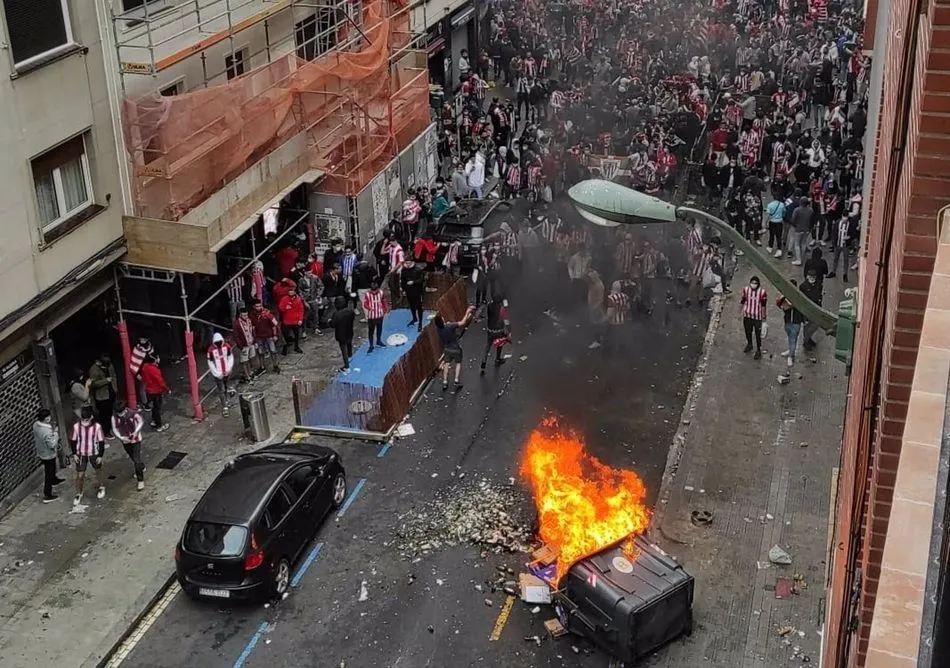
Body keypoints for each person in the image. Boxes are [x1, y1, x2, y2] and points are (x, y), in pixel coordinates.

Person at [69, 407, 106, 505]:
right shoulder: (76, 427)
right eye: (83, 419)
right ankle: (79, 493)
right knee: (80, 475)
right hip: (81, 454)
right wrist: (74, 454)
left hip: (94, 452)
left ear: (91, 418)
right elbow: (73, 440)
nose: (85, 422)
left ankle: (101, 486)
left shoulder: (97, 427)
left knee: (98, 470)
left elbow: (101, 441)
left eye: (87, 420)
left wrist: (100, 455)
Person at [436, 306, 475, 392]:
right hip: (456, 348)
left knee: (447, 363)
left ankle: (445, 381)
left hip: (447, 349)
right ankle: (456, 380)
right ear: (442, 321)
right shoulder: (450, 326)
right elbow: (462, 322)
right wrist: (467, 312)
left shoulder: (439, 330)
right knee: (458, 363)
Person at [111, 401, 146, 491]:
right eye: (119, 413)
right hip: (125, 440)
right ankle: (141, 467)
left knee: (136, 460)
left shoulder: (133, 414)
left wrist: (136, 432)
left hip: (136, 439)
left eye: (122, 413)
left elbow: (140, 421)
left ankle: (140, 480)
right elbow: (115, 429)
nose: (121, 415)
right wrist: (121, 438)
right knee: (133, 457)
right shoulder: (114, 418)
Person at [777, 280, 807, 376]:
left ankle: (791, 356)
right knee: (790, 337)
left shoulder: (798, 297)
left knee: (793, 339)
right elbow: (779, 303)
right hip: (787, 321)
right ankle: (790, 351)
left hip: (796, 322)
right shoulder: (785, 296)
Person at [33, 408, 63, 502]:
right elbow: (52, 444)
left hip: (41, 451)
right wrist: (56, 433)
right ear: (46, 418)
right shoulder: (46, 431)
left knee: (50, 469)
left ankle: (54, 479)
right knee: (49, 472)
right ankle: (48, 494)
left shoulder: (36, 425)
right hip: (48, 454)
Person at [89, 354, 117, 438]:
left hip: (111, 392)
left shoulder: (109, 365)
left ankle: (110, 427)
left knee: (110, 412)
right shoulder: (93, 370)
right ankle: (106, 431)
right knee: (104, 414)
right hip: (102, 396)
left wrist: (115, 388)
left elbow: (114, 375)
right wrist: (105, 381)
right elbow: (93, 384)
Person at [207, 332, 236, 415]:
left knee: (226, 387)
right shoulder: (211, 350)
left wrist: (229, 368)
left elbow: (230, 357)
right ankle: (224, 406)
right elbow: (210, 363)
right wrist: (217, 373)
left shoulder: (227, 346)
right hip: (218, 374)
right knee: (221, 390)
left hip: (226, 372)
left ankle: (227, 401)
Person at [140, 355, 170, 432]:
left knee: (154, 407)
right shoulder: (154, 370)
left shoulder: (145, 367)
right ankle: (159, 425)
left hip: (149, 390)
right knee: (157, 408)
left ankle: (154, 421)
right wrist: (166, 389)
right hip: (155, 391)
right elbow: (160, 381)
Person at [480, 294, 510, 372]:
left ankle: (483, 362)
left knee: (487, 346)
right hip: (498, 330)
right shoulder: (501, 308)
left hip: (490, 330)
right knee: (499, 344)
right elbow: (505, 319)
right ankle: (497, 359)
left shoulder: (489, 306)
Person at [740, 276, 768, 360]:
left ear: (758, 284)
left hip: (757, 317)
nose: (753, 285)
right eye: (752, 283)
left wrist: (764, 319)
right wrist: (739, 312)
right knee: (748, 331)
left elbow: (763, 306)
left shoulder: (762, 292)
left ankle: (758, 350)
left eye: (755, 283)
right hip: (747, 315)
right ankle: (749, 344)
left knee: (757, 334)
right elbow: (743, 300)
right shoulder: (746, 290)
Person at [250, 299, 281, 374]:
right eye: (257, 306)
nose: (258, 307)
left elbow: (275, 324)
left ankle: (275, 365)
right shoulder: (252, 315)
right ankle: (262, 367)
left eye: (259, 306)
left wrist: (275, 335)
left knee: (273, 351)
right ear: (254, 307)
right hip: (259, 337)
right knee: (260, 352)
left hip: (269, 336)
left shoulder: (267, 313)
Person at [330, 296, 356, 371]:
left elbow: (333, 324)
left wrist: (329, 321)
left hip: (341, 335)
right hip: (349, 332)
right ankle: (350, 356)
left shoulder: (336, 314)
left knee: (344, 351)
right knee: (349, 345)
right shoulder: (350, 311)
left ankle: (346, 366)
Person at [278, 284, 305, 355]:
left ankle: (296, 347)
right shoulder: (284, 299)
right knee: (286, 336)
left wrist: (300, 319)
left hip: (296, 321)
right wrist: (285, 308)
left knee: (297, 335)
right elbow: (280, 308)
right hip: (287, 321)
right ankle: (285, 348)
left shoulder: (298, 299)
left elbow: (301, 310)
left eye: (292, 291)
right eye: (289, 291)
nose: (291, 293)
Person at [362, 280, 388, 352]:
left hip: (380, 314)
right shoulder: (367, 294)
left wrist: (385, 309)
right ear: (370, 289)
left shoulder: (381, 293)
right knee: (371, 331)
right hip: (371, 316)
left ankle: (378, 341)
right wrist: (369, 308)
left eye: (375, 290)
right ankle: (371, 345)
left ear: (378, 289)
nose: (374, 292)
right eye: (372, 291)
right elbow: (365, 304)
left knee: (379, 329)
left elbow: (383, 301)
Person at [801, 269, 824, 351]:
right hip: (808, 310)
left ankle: (808, 338)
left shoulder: (818, 284)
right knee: (807, 327)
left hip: (816, 308)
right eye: (810, 276)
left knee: (814, 325)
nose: (812, 278)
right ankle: (806, 341)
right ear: (807, 277)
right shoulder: (803, 286)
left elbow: (819, 295)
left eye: (813, 277)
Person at [401, 259, 426, 332]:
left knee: (419, 307)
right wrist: (403, 289)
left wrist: (414, 282)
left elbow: (421, 280)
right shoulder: (404, 270)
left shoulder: (418, 270)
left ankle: (420, 323)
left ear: (412, 262)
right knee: (411, 306)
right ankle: (414, 319)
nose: (408, 264)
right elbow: (402, 280)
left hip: (417, 291)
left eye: (409, 263)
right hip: (409, 291)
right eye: (407, 263)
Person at [129, 337, 154, 409]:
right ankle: (145, 403)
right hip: (140, 371)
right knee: (142, 388)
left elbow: (152, 357)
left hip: (149, 370)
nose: (142, 341)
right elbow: (134, 361)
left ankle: (150, 399)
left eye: (144, 339)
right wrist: (137, 373)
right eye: (141, 339)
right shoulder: (137, 349)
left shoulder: (150, 347)